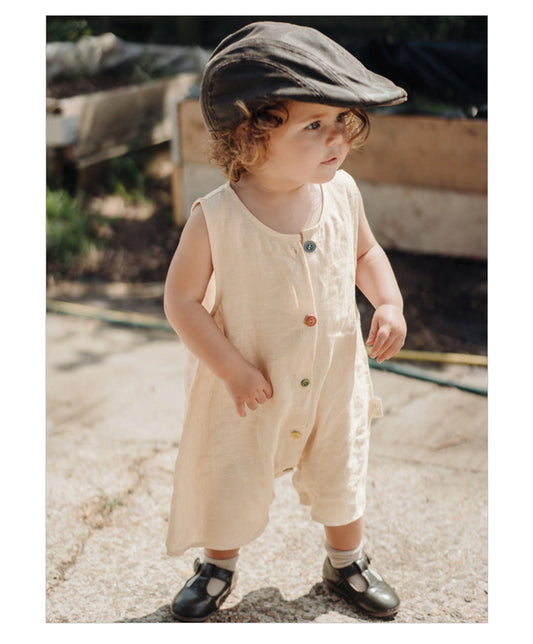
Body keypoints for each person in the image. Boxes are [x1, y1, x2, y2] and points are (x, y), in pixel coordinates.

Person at [163, 21, 408, 622]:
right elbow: (181, 302)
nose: (338, 138)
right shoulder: (217, 217)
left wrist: (388, 302)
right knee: (230, 474)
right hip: (250, 384)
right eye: (314, 126)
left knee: (340, 468)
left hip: (331, 380)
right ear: (250, 134)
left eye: (342, 121)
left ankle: (346, 561)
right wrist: (231, 369)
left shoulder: (342, 193)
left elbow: (364, 252)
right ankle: (217, 565)